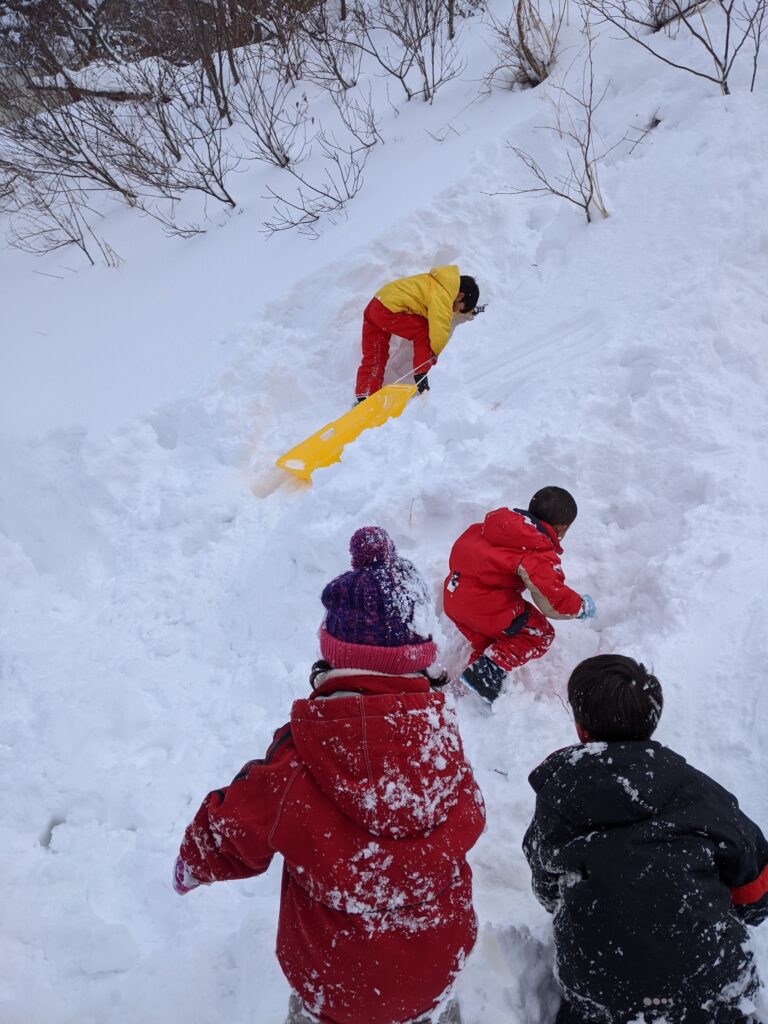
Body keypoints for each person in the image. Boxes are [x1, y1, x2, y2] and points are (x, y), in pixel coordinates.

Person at [173, 526, 486, 1024]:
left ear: (335, 655)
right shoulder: (441, 740)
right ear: (419, 657)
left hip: (337, 984)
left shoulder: (296, 762)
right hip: (435, 964)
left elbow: (230, 831)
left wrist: (192, 865)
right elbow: (472, 816)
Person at [524, 654, 768, 1024]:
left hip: (600, 991)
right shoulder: (700, 793)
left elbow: (547, 888)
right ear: (651, 723)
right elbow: (755, 891)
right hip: (709, 984)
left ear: (581, 730)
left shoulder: (558, 799)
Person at [443, 486, 595, 704]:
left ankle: (474, 696)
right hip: (485, 607)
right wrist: (580, 606)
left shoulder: (488, 527)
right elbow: (553, 599)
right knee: (539, 634)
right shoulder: (536, 548)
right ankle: (485, 676)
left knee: (491, 642)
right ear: (561, 528)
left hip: (454, 598)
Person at [354, 265, 480, 402]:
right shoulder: (443, 293)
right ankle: (422, 375)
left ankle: (365, 396)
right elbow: (439, 329)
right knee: (425, 330)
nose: (453, 310)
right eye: (457, 308)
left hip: (375, 305)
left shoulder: (436, 282)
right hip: (387, 311)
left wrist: (469, 310)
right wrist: (435, 358)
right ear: (460, 295)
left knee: (375, 354)